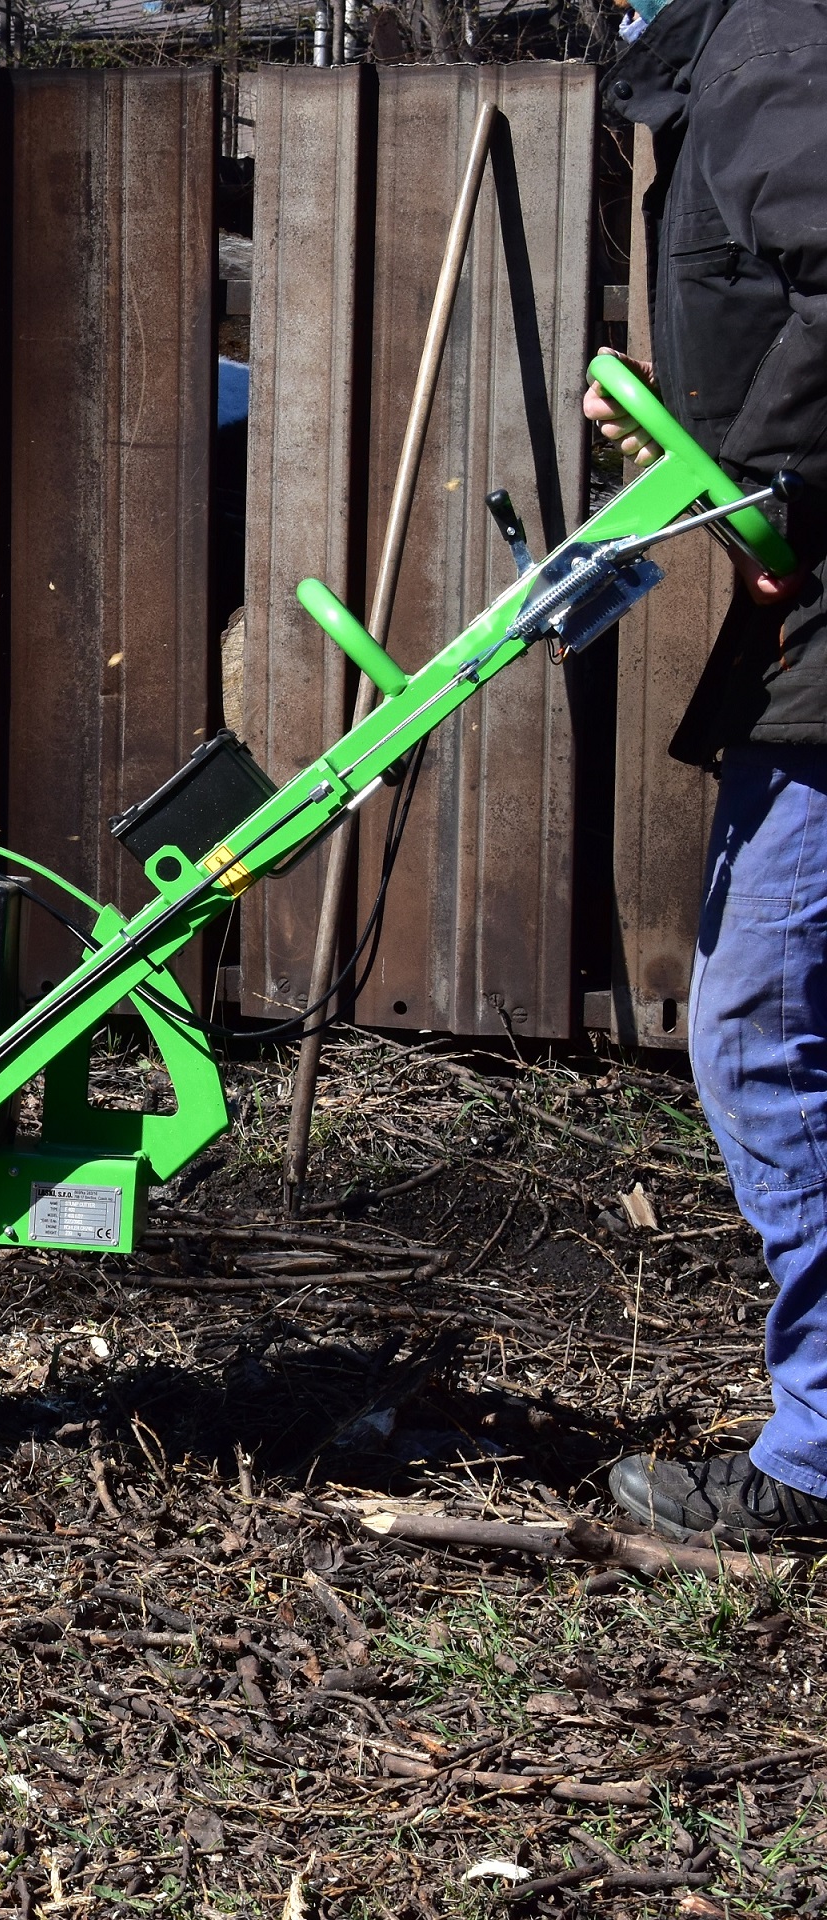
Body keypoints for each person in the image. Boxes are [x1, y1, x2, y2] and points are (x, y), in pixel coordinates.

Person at [588, 0, 827, 1543]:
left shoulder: (780, 48)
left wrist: (770, 484)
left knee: (756, 1024)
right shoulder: (745, 51)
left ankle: (816, 1460)